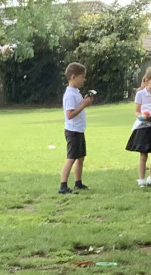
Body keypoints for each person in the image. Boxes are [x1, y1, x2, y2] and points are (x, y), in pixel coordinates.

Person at [60, 61, 93, 195]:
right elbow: (69, 115)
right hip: (72, 131)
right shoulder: (70, 95)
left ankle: (78, 182)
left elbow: (78, 106)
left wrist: (85, 101)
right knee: (71, 158)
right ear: (73, 77)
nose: (84, 79)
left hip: (79, 130)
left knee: (80, 157)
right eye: (82, 77)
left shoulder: (76, 92)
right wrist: (83, 105)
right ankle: (63, 185)